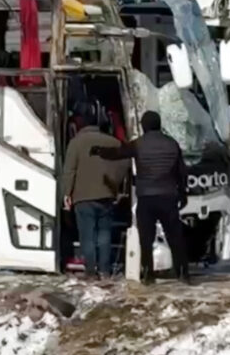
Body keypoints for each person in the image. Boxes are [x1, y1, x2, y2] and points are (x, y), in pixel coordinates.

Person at [92, 111, 191, 285]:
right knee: (175, 237)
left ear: (144, 126)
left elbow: (118, 153)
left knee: (146, 239)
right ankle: (183, 273)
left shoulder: (139, 144)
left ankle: (148, 274)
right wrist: (183, 194)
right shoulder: (172, 144)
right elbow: (181, 172)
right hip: (168, 197)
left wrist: (99, 151)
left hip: (146, 198)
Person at [61, 103, 130, 278]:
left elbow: (69, 170)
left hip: (82, 197)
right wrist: (115, 184)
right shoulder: (112, 142)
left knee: (88, 236)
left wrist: (66, 193)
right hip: (106, 195)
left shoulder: (76, 143)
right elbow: (125, 163)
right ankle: (105, 271)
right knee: (104, 235)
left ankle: (91, 272)